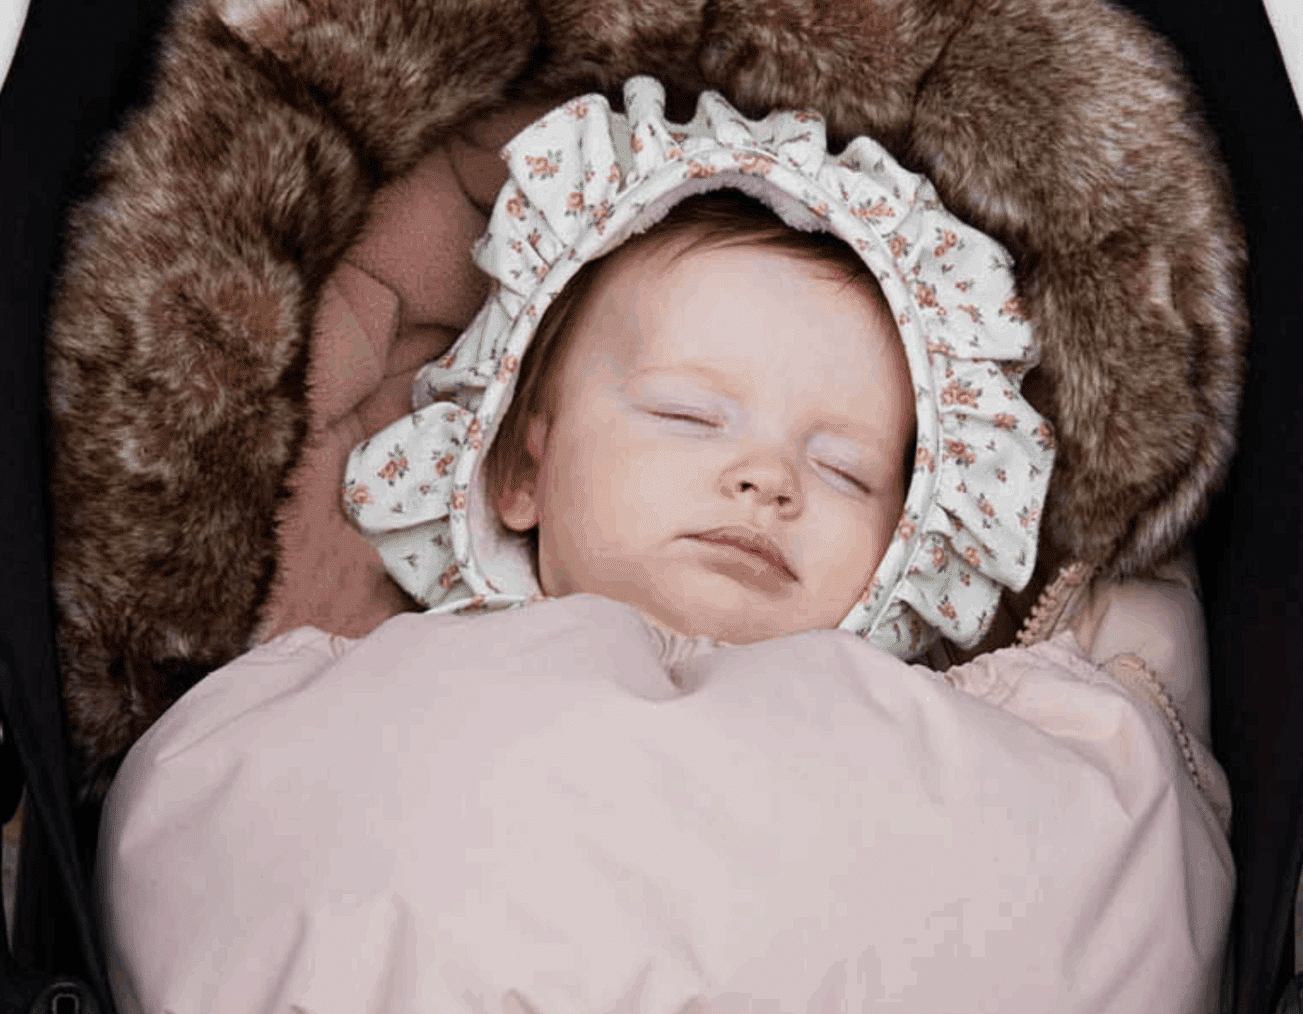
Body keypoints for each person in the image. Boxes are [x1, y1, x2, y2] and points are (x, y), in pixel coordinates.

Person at [342, 76, 1053, 661]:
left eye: (845, 470)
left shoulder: (934, 743)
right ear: (525, 473)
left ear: (913, 540)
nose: (768, 479)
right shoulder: (391, 680)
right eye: (687, 415)